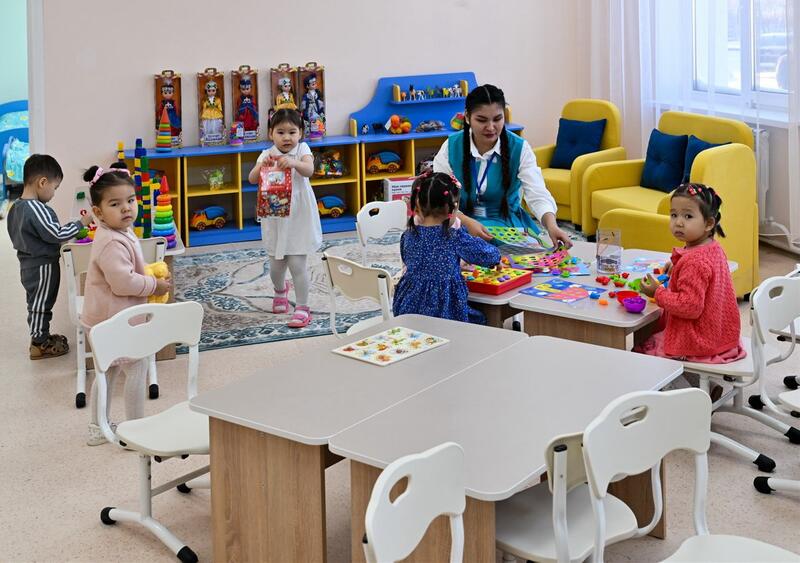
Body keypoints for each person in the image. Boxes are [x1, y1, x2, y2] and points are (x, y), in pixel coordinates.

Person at [81, 164, 170, 445]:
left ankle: (98, 427)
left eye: (130, 200)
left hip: (109, 318)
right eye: (115, 204)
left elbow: (129, 269)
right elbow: (123, 283)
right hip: (113, 320)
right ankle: (136, 430)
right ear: (98, 212)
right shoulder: (110, 242)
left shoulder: (120, 232)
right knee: (137, 367)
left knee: (108, 371)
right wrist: (153, 285)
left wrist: (147, 272)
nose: (126, 208)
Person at [433, 84, 572, 248]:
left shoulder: (519, 147)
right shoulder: (451, 147)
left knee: (496, 251)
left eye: (497, 119)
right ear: (468, 117)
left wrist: (552, 226)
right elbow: (440, 197)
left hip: (505, 225)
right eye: (482, 120)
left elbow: (537, 194)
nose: (491, 127)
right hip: (459, 220)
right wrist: (464, 221)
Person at [637, 183, 745, 364]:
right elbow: (704, 276)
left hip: (697, 342)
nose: (678, 222)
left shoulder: (694, 262)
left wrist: (657, 292)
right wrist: (678, 265)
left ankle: (682, 381)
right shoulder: (713, 247)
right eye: (674, 215)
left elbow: (690, 306)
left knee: (640, 352)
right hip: (719, 335)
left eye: (688, 216)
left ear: (709, 223)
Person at [7, 154, 93, 359]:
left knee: (37, 301)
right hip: (42, 265)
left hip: (28, 263)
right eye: (55, 188)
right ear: (42, 182)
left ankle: (41, 335)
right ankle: (39, 342)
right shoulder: (36, 209)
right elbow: (57, 234)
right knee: (41, 304)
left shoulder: (16, 207)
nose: (54, 194)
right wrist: (80, 223)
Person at [392, 172, 500, 324]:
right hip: (445, 310)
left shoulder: (408, 235)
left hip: (407, 307)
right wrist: (496, 258)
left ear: (418, 205)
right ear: (454, 208)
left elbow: (412, 259)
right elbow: (485, 254)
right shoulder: (454, 237)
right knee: (480, 319)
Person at [248, 109, 322, 328]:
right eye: (280, 132)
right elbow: (252, 178)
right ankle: (280, 291)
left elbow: (309, 170)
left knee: (297, 264)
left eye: (292, 132)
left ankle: (302, 306)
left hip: (298, 216)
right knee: (276, 265)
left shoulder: (302, 150)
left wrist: (293, 163)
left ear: (301, 133)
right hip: (275, 216)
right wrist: (262, 165)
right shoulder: (266, 153)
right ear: (271, 133)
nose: (287, 137)